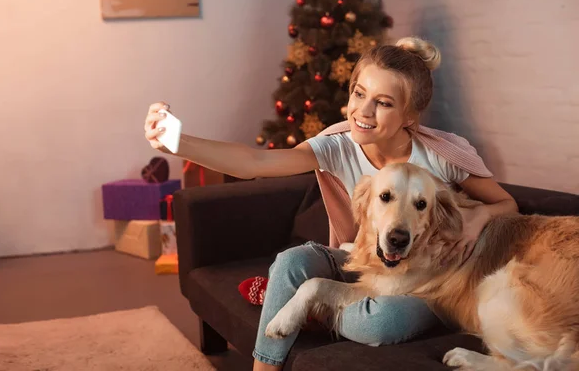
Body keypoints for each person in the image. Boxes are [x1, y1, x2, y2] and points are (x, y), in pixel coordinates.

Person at [143, 36, 518, 371]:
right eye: (358, 93)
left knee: (379, 322)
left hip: (426, 283)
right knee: (291, 262)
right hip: (366, 260)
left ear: (410, 116)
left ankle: (308, 306)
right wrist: (177, 143)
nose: (363, 112)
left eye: (383, 103)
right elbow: (255, 163)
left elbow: (507, 204)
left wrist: (479, 216)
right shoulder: (337, 145)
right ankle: (267, 363)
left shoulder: (441, 158)